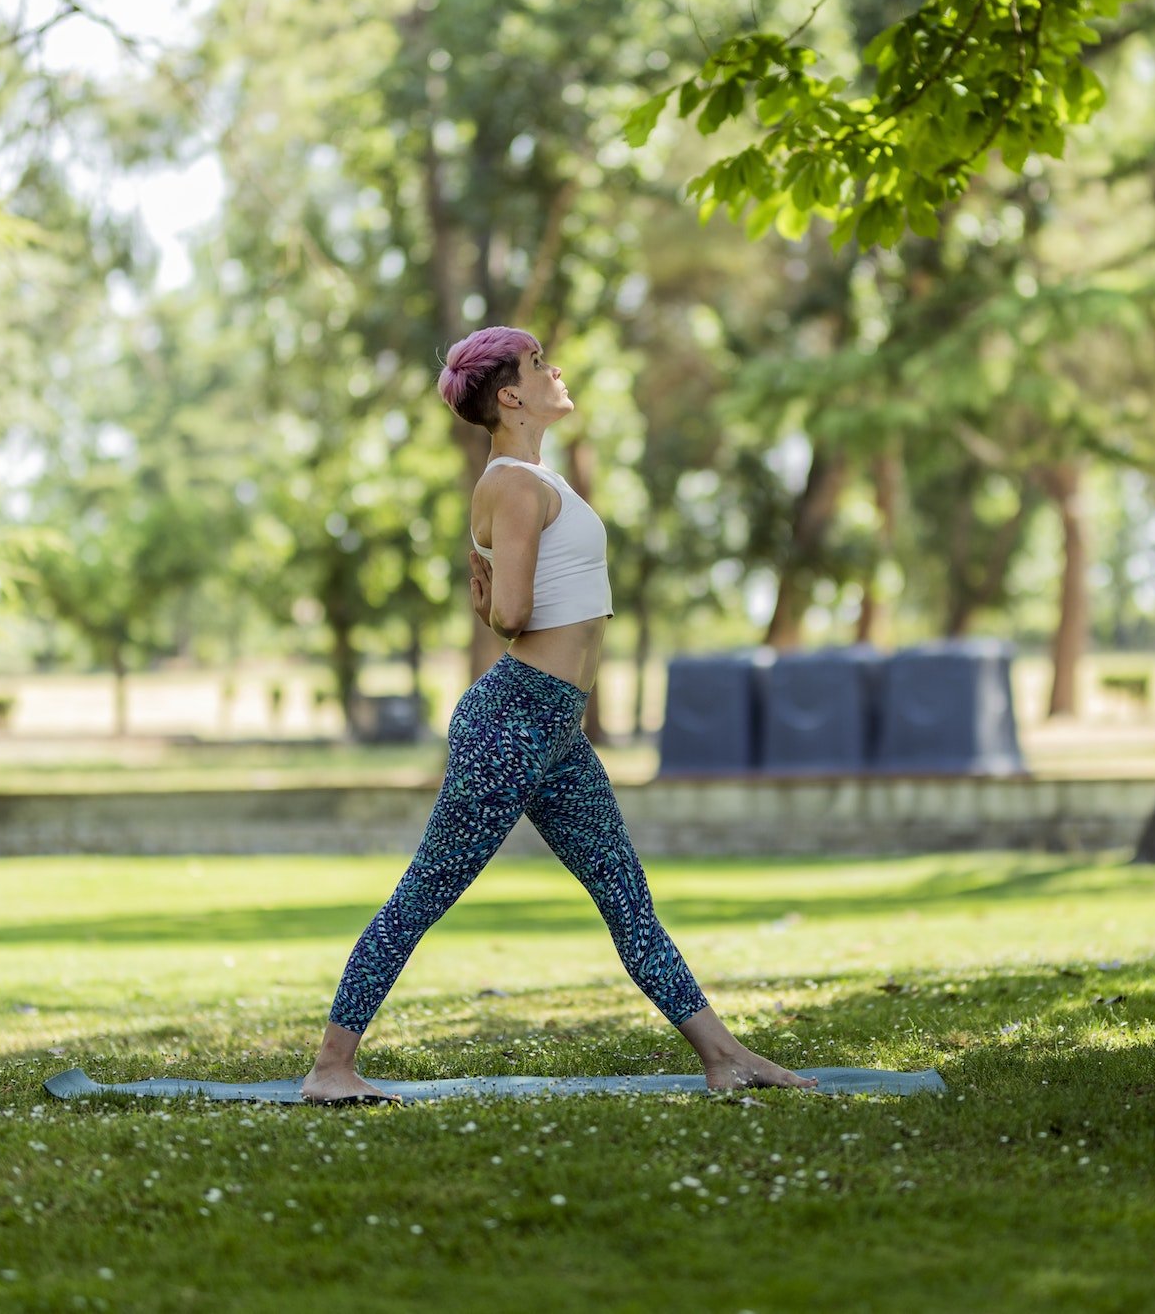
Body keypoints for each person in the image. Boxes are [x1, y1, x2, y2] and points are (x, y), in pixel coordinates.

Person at [300, 326, 818, 1104]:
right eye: (539, 364)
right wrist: (494, 610)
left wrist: (497, 613)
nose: (556, 369)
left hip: (555, 731)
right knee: (428, 888)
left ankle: (723, 1057)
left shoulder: (540, 480)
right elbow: (512, 610)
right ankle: (331, 1067)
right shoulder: (511, 484)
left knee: (625, 895)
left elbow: (512, 609)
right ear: (510, 394)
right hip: (513, 723)